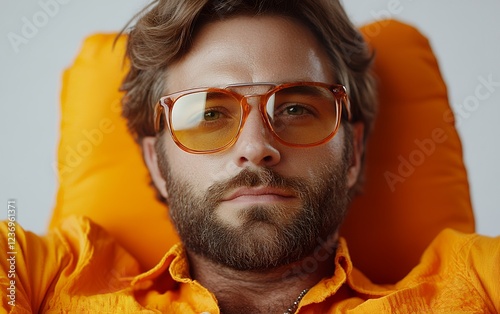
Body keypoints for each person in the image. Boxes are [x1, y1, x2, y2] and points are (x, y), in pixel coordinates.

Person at [1, 0, 499, 313]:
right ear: (156, 162)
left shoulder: (474, 284)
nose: (257, 146)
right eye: (209, 114)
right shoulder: (43, 276)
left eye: (299, 107)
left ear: (354, 153)